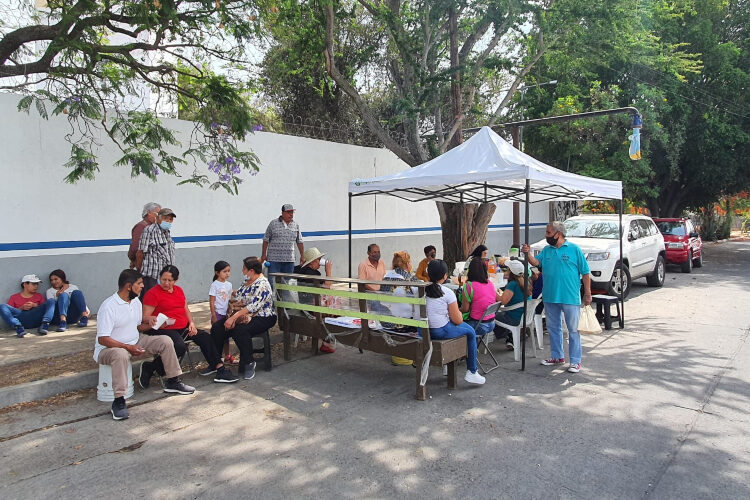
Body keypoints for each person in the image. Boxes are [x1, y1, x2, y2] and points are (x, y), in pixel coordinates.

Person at [95, 269, 194, 420]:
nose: (142, 286)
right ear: (129, 286)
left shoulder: (135, 302)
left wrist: (151, 323)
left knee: (166, 341)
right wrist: (127, 347)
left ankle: (173, 381)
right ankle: (119, 401)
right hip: (110, 349)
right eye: (139, 283)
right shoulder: (109, 306)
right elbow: (103, 338)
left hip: (136, 341)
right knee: (121, 354)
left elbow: (137, 327)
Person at [140, 265, 238, 386]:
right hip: (162, 328)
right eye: (163, 279)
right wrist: (152, 319)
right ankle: (151, 367)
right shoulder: (153, 293)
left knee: (205, 337)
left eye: (169, 280)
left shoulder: (179, 290)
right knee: (179, 346)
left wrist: (191, 323)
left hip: (182, 326)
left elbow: (186, 310)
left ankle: (219, 368)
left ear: (176, 280)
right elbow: (144, 317)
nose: (166, 283)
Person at [522, 221, 592, 373]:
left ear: (557, 234)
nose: (546, 236)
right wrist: (527, 253)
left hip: (570, 296)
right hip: (550, 296)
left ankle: (575, 361)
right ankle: (557, 356)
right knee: (554, 328)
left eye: (548, 233)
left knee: (573, 330)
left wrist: (587, 293)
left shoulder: (574, 249)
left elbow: (586, 272)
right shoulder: (547, 250)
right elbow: (536, 262)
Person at [211, 257, 278, 380]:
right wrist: (231, 309)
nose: (242, 271)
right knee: (217, 328)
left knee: (240, 331)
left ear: (251, 271)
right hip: (243, 315)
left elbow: (253, 307)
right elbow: (239, 298)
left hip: (263, 316)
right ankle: (216, 364)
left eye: (244, 269)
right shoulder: (247, 281)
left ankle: (249, 362)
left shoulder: (263, 284)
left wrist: (234, 318)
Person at [424, 260, 486, 385]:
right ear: (445, 276)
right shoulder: (447, 292)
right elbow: (457, 320)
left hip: (423, 331)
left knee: (461, 327)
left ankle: (449, 367)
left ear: (428, 274)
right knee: (471, 332)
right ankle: (472, 372)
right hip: (439, 331)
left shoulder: (420, 290)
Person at [381, 251, 420, 366]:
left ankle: (399, 357)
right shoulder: (409, 278)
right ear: (407, 264)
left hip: (385, 322)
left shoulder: (386, 277)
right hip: (403, 325)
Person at [293, 248, 335, 353]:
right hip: (312, 308)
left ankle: (327, 342)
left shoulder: (299, 270)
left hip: (303, 305)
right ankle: (327, 342)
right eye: (318, 260)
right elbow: (326, 289)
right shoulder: (313, 275)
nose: (320, 262)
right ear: (312, 262)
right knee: (335, 312)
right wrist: (328, 272)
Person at [260, 204, 304, 290]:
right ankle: (273, 302)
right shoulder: (273, 224)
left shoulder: (295, 225)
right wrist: (263, 255)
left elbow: (299, 241)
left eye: (292, 212)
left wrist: (302, 255)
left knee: (287, 284)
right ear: (283, 213)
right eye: (288, 212)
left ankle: (285, 302)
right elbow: (266, 240)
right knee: (273, 283)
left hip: (289, 260)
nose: (291, 214)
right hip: (274, 260)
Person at [136, 207, 177, 297]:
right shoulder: (149, 230)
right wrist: (139, 271)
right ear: (158, 218)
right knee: (149, 302)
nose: (168, 221)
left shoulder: (167, 233)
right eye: (166, 218)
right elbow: (140, 252)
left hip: (164, 278)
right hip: (151, 276)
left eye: (170, 219)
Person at [493, 259, 533, 350]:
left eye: (507, 269)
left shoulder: (513, 284)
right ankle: (512, 335)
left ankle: (507, 335)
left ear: (511, 272)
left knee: (491, 315)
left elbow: (502, 301)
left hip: (515, 318)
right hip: (526, 317)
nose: (506, 271)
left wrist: (493, 291)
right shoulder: (527, 282)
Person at [460, 257, 501, 339]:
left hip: (478, 325)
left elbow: (465, 309)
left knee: (455, 324)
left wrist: (456, 309)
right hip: (491, 324)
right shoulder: (490, 283)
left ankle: (470, 349)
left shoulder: (469, 286)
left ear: (470, 271)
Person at [209, 260, 236, 366]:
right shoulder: (214, 285)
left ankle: (227, 355)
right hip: (218, 314)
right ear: (217, 273)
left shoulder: (229, 285)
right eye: (225, 271)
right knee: (217, 336)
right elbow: (211, 302)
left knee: (226, 337)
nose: (227, 274)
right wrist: (214, 315)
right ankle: (217, 357)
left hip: (226, 314)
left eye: (229, 271)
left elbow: (229, 299)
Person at [129, 202, 160, 269]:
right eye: (157, 214)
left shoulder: (154, 227)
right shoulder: (141, 227)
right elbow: (135, 248)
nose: (159, 217)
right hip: (144, 267)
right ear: (149, 212)